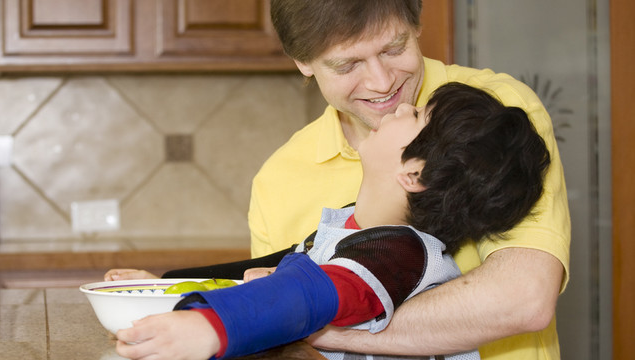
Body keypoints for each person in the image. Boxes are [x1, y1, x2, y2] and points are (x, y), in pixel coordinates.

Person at [113, 82, 551, 360]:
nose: (399, 109)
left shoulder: (401, 254)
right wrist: (167, 286)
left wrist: (211, 329)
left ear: (414, 174)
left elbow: (314, 293)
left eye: (416, 116)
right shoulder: (358, 230)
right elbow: (281, 266)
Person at [246, 1, 570, 359]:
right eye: (347, 64)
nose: (382, 82)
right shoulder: (277, 181)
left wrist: (313, 322)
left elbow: (522, 300)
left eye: (393, 48)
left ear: (416, 25)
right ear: (302, 61)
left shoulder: (494, 115)